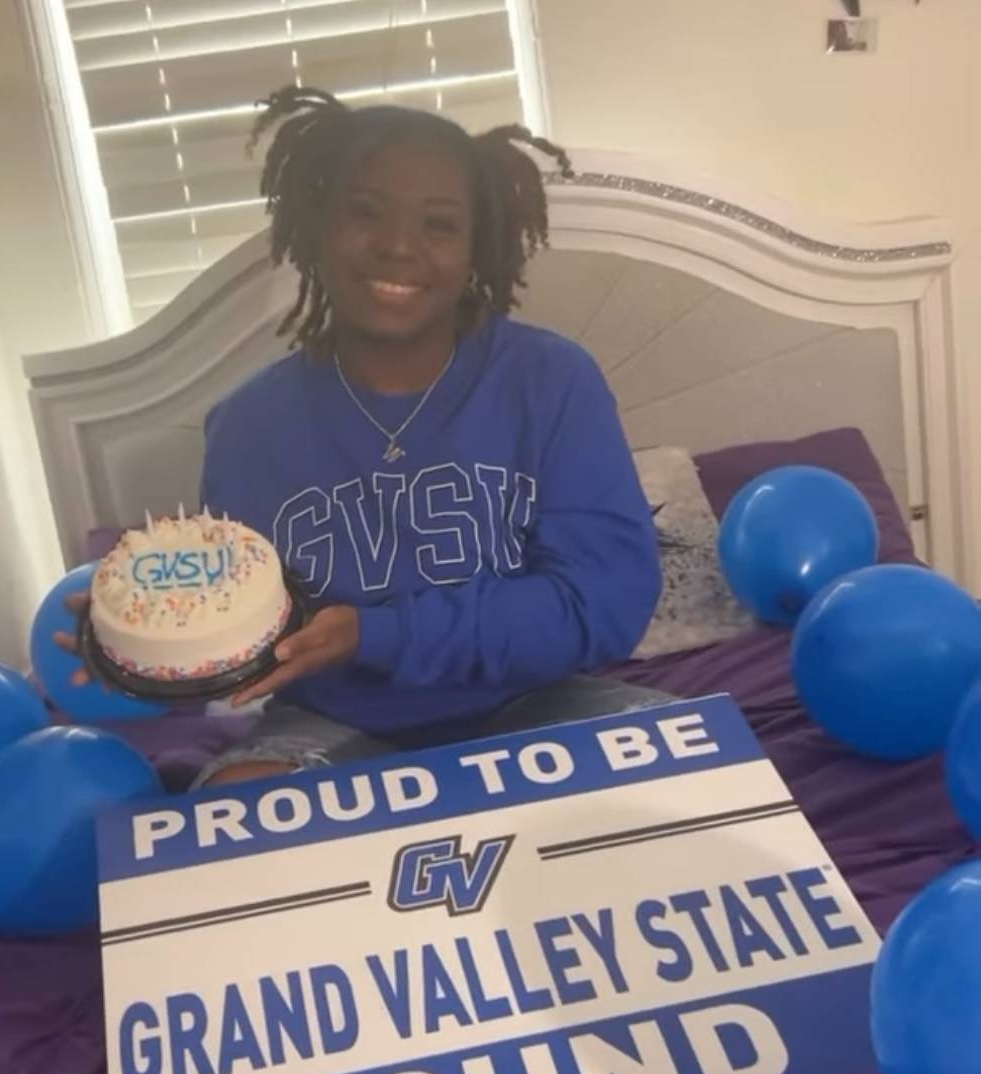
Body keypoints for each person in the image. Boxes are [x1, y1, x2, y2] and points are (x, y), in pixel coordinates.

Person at [62, 86, 667, 785]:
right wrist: (147, 643)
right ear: (316, 225)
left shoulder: (552, 382)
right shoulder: (248, 427)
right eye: (365, 213)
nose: (398, 246)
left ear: (478, 247)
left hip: (535, 702)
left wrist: (377, 633)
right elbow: (256, 638)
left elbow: (603, 602)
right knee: (234, 814)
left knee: (681, 786)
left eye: (439, 225)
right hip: (333, 724)